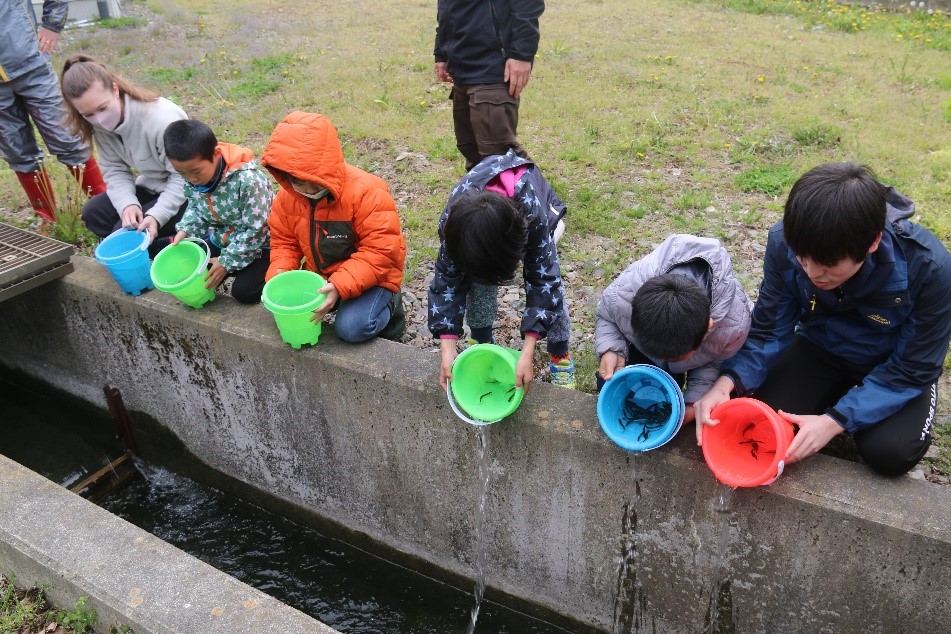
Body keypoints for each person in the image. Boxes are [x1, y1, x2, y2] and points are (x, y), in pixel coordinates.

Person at [695, 163, 951, 476]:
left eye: (828, 265)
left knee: (891, 453)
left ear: (872, 242)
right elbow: (769, 331)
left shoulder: (930, 268)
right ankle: (832, 394)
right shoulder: (784, 241)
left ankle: (846, 405)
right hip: (821, 348)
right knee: (759, 424)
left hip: (892, 366)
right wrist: (727, 382)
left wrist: (834, 422)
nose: (813, 273)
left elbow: (914, 367)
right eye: (802, 259)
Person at [429, 149, 574, 392]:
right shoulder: (453, 225)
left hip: (537, 216)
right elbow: (447, 281)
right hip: (487, 223)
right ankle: (482, 338)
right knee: (476, 280)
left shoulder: (532, 215)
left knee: (551, 285)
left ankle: (560, 350)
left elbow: (543, 279)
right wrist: (447, 348)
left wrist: (527, 351)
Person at [261, 111, 406, 342]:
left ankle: (391, 304)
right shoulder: (286, 198)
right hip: (323, 275)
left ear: (326, 169)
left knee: (352, 329)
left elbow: (381, 251)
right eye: (298, 182)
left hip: (375, 275)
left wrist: (340, 284)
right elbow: (284, 243)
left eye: (314, 182)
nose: (306, 190)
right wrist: (279, 276)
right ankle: (341, 296)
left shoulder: (368, 193)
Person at [595, 234, 753, 424]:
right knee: (609, 382)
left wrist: (693, 403)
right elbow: (606, 314)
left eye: (680, 356)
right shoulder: (623, 295)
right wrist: (611, 349)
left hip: (705, 346)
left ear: (707, 328)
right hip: (657, 342)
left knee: (690, 405)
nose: (663, 360)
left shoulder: (733, 328)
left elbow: (713, 363)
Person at [60, 55, 187, 254]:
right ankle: (153, 244)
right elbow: (114, 170)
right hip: (154, 185)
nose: (99, 120)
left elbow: (184, 178)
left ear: (115, 89)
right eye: (88, 115)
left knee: (125, 233)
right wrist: (127, 204)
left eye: (102, 108)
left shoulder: (161, 120)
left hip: (191, 193)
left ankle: (168, 244)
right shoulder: (101, 128)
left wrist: (156, 215)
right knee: (94, 214)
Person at [1, 0, 105, 222]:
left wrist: (53, 23)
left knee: (65, 136)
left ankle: (107, 205)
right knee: (16, 149)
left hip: (30, 62)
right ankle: (47, 220)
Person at [163, 119, 273, 305]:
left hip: (261, 246)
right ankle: (230, 266)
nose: (191, 179)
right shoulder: (193, 175)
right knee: (191, 269)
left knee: (244, 292)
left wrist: (226, 262)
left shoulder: (248, 181)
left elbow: (257, 231)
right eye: (182, 173)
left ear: (215, 154)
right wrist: (186, 229)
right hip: (223, 239)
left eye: (196, 171)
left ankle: (249, 269)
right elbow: (195, 207)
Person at [434, 0, 544, 170]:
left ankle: (535, 194)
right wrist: (441, 52)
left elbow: (528, 4)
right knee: (471, 150)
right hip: (461, 64)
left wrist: (522, 54)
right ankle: (483, 195)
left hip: (493, 65)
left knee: (499, 154)